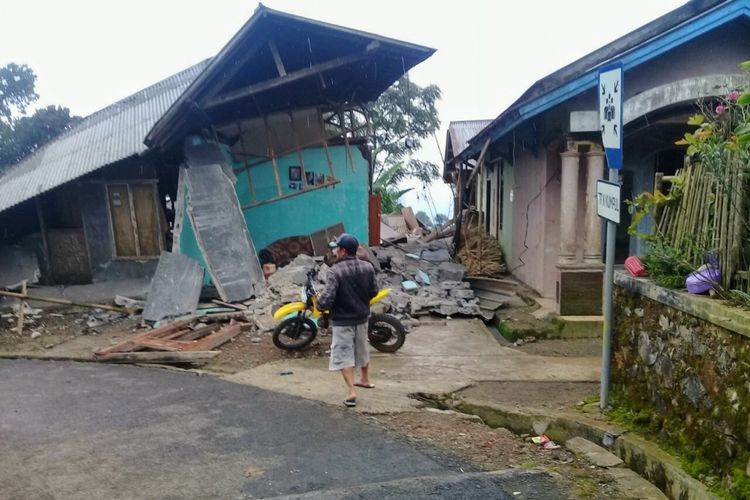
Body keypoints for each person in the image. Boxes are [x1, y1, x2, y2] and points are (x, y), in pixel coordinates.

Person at [317, 233, 378, 407]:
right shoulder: (368, 267)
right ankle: (365, 379)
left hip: (343, 320)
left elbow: (327, 298)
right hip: (361, 316)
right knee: (362, 349)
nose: (335, 251)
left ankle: (351, 391)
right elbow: (374, 291)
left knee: (344, 354)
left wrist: (320, 304)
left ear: (343, 251)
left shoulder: (335, 271)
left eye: (337, 248)